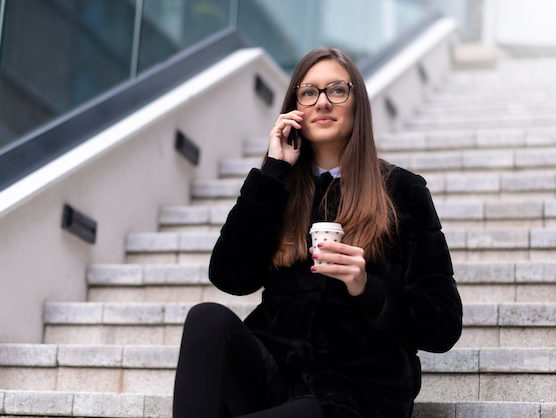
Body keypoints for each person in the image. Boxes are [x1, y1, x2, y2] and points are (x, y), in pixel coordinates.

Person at [172, 47, 463, 418]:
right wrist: (273, 171)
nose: (322, 102)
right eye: (309, 92)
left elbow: (444, 324)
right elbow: (229, 277)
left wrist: (367, 287)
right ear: (295, 109)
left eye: (337, 90)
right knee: (206, 318)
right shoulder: (280, 188)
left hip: (356, 390)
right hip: (277, 378)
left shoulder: (402, 191)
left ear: (358, 104)